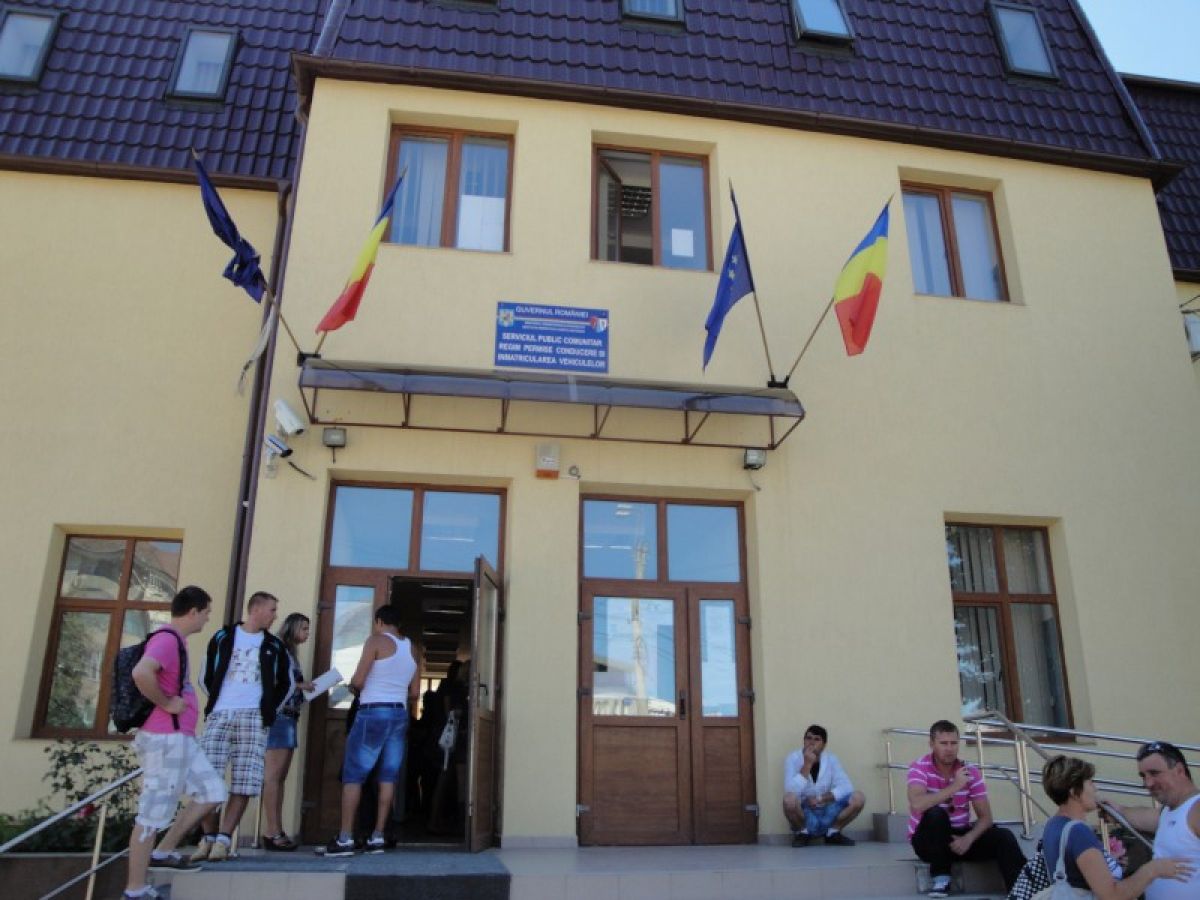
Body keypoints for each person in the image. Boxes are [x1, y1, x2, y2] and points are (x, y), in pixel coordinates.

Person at [123, 586, 228, 900]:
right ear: (193, 611)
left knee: (212, 791)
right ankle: (135, 889)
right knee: (152, 812)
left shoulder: (176, 642)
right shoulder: (167, 640)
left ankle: (164, 850)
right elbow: (141, 672)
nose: (207, 619)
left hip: (181, 738)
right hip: (164, 738)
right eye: (206, 612)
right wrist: (167, 703)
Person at [190, 591, 291, 862]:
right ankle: (208, 837)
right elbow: (205, 675)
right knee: (207, 778)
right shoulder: (223, 637)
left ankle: (224, 839)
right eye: (272, 610)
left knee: (244, 781)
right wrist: (217, 700)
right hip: (220, 713)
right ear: (255, 609)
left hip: (254, 717)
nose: (275, 616)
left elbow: (286, 682)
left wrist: (268, 709)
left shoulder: (274, 645)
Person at [324, 605, 419, 856]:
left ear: (379, 621)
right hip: (399, 713)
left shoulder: (375, 641)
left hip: (373, 711)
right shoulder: (412, 648)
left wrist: (354, 688)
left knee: (354, 775)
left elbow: (358, 680)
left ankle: (345, 838)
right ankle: (378, 836)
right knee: (388, 776)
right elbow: (414, 693)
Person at [1038, 754, 1193, 900]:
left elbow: (1074, 874)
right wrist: (1153, 869)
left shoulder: (1053, 825)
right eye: (1090, 782)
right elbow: (1112, 895)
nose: (1095, 788)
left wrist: (1108, 864)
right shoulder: (1078, 832)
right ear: (1074, 792)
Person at [907, 719, 1025, 898]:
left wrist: (968, 839)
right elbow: (917, 804)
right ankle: (941, 878)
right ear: (932, 744)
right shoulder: (919, 768)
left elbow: (986, 818)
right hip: (929, 841)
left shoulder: (970, 771)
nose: (949, 749)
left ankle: (1020, 891)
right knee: (935, 814)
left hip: (960, 839)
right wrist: (956, 786)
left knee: (1004, 836)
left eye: (954, 743)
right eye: (943, 743)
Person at [1105, 741, 1200, 900]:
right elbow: (1143, 817)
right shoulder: (1169, 811)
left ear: (1179, 770)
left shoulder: (1196, 809)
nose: (1148, 783)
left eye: (1154, 773)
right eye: (1143, 776)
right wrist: (1117, 810)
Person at [260, 612, 314, 851]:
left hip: (290, 716)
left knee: (280, 777)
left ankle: (276, 829)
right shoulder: (278, 650)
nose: (307, 633)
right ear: (292, 628)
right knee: (273, 776)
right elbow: (271, 681)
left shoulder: (290, 653)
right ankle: (272, 831)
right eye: (304, 628)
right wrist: (301, 685)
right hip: (280, 716)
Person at [782, 724, 865, 846]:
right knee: (789, 800)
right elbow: (790, 790)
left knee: (858, 797)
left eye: (817, 739)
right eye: (808, 738)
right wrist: (807, 765)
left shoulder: (831, 759)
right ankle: (802, 833)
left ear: (824, 745)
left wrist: (821, 798)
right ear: (804, 741)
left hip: (827, 810)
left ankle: (833, 833)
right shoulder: (793, 758)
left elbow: (847, 787)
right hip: (805, 813)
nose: (811, 742)